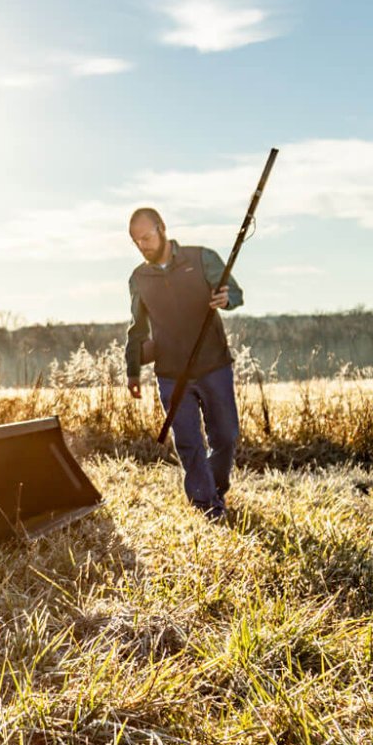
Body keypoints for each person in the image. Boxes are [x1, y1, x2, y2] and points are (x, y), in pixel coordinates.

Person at [124, 208, 243, 520]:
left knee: (226, 437)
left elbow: (235, 293)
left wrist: (225, 299)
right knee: (189, 441)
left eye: (147, 237)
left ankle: (215, 489)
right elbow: (137, 329)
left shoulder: (202, 257)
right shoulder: (139, 277)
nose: (143, 245)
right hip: (171, 373)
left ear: (162, 229)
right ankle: (207, 507)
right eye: (137, 241)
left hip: (213, 365)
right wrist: (133, 370)